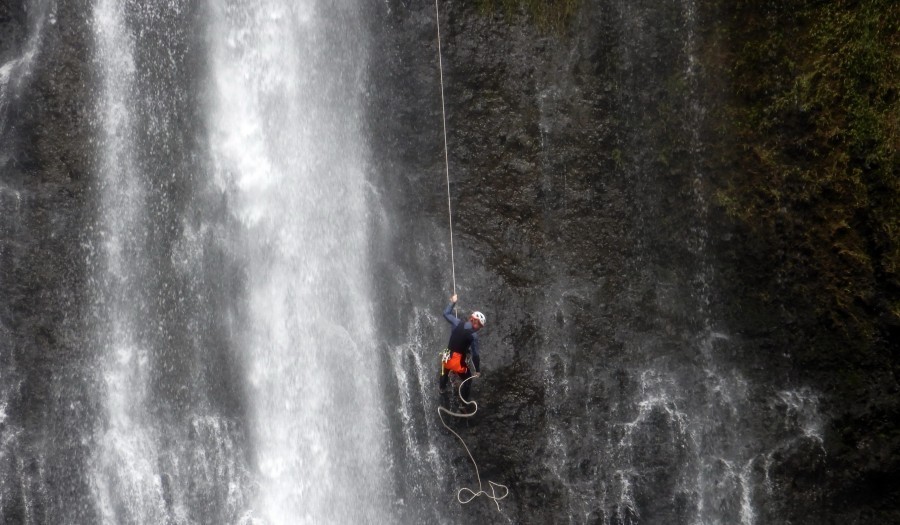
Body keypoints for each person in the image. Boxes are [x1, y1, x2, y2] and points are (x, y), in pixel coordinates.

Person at [439, 293, 486, 407]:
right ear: (476, 323)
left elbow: (446, 313)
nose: (479, 328)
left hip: (446, 355)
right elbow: (475, 355)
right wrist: (477, 370)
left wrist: (453, 302)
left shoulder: (457, 322)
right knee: (468, 380)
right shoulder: (473, 336)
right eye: (479, 326)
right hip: (457, 362)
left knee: (444, 371)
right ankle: (463, 404)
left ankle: (442, 389)